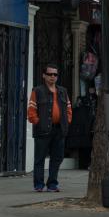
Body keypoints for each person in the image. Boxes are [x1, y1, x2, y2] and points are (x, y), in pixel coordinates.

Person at [27, 63, 73, 192]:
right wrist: (37, 122)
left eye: (55, 74)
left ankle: (52, 184)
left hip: (59, 130)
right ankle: (39, 185)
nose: (52, 76)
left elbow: (69, 108)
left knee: (57, 158)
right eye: (50, 74)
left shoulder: (63, 91)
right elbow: (31, 110)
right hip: (43, 130)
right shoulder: (37, 91)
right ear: (44, 75)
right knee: (39, 159)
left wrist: (67, 121)